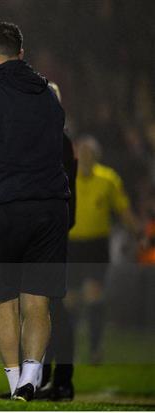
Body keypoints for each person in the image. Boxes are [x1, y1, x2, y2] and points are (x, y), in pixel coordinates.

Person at [0, 22, 70, 401]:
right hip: (49, 205)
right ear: (21, 53)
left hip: (4, 205)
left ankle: (14, 383)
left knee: (4, 299)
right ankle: (31, 378)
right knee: (38, 299)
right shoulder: (48, 93)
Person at [67, 135, 138, 365]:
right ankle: (71, 350)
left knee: (94, 296)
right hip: (72, 245)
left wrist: (139, 233)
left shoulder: (108, 179)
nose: (85, 158)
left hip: (97, 245)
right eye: (82, 153)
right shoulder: (68, 176)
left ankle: (96, 349)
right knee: (71, 300)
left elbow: (123, 210)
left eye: (90, 154)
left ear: (96, 157)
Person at [37, 81, 77, 401]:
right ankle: (46, 376)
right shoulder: (59, 141)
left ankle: (59, 379)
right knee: (45, 308)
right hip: (52, 234)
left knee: (53, 310)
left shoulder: (57, 143)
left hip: (50, 236)